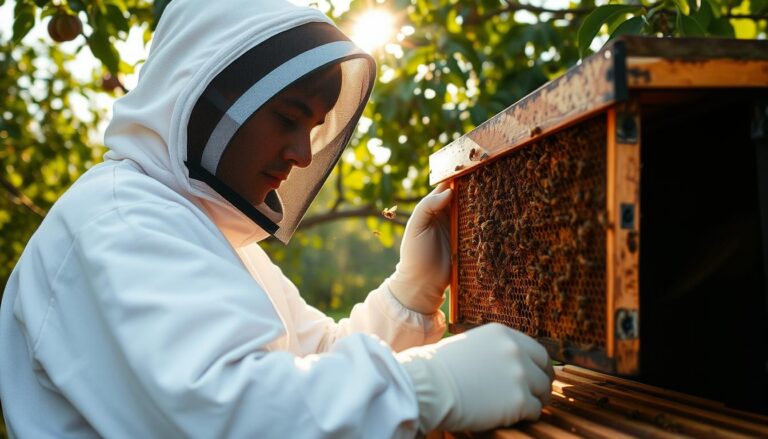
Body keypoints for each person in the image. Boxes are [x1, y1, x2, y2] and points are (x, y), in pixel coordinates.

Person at [0, 0, 554, 437]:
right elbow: (228, 414)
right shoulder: (119, 222)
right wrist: (423, 388)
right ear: (205, 98)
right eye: (287, 118)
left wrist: (409, 297)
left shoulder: (215, 238)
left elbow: (316, 362)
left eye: (312, 129)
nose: (302, 154)